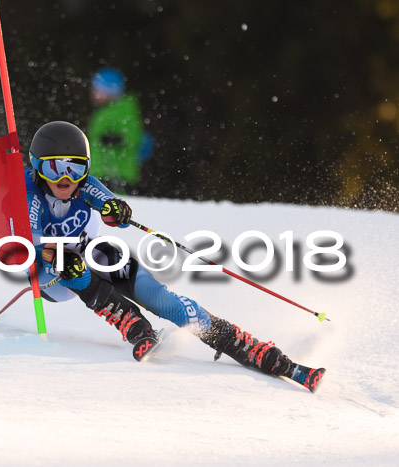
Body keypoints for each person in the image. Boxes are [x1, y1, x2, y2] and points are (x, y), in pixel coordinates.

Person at [25, 121, 325, 393]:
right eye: (54, 169)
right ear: (37, 167)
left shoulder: (85, 186)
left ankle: (243, 344)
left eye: (75, 169)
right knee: (69, 264)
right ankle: (131, 323)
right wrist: (57, 255)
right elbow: (35, 248)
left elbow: (108, 205)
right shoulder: (29, 195)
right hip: (49, 275)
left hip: (90, 254)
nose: (65, 178)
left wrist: (118, 210)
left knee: (145, 285)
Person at [86, 67, 153, 193]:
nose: (93, 92)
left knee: (114, 204)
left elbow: (132, 136)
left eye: (98, 89)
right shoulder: (105, 111)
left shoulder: (122, 110)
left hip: (116, 172)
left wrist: (116, 139)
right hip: (103, 170)